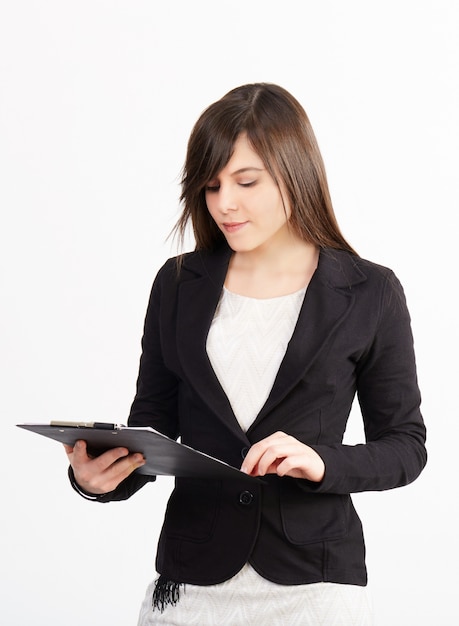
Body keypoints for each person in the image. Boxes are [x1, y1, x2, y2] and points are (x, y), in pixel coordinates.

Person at [65, 83, 427, 625]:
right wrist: (97, 481)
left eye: (246, 181)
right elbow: (154, 427)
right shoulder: (178, 283)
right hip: (191, 585)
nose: (224, 204)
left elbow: (406, 446)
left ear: (294, 171)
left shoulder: (369, 291)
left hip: (314, 588)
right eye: (210, 187)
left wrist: (323, 461)